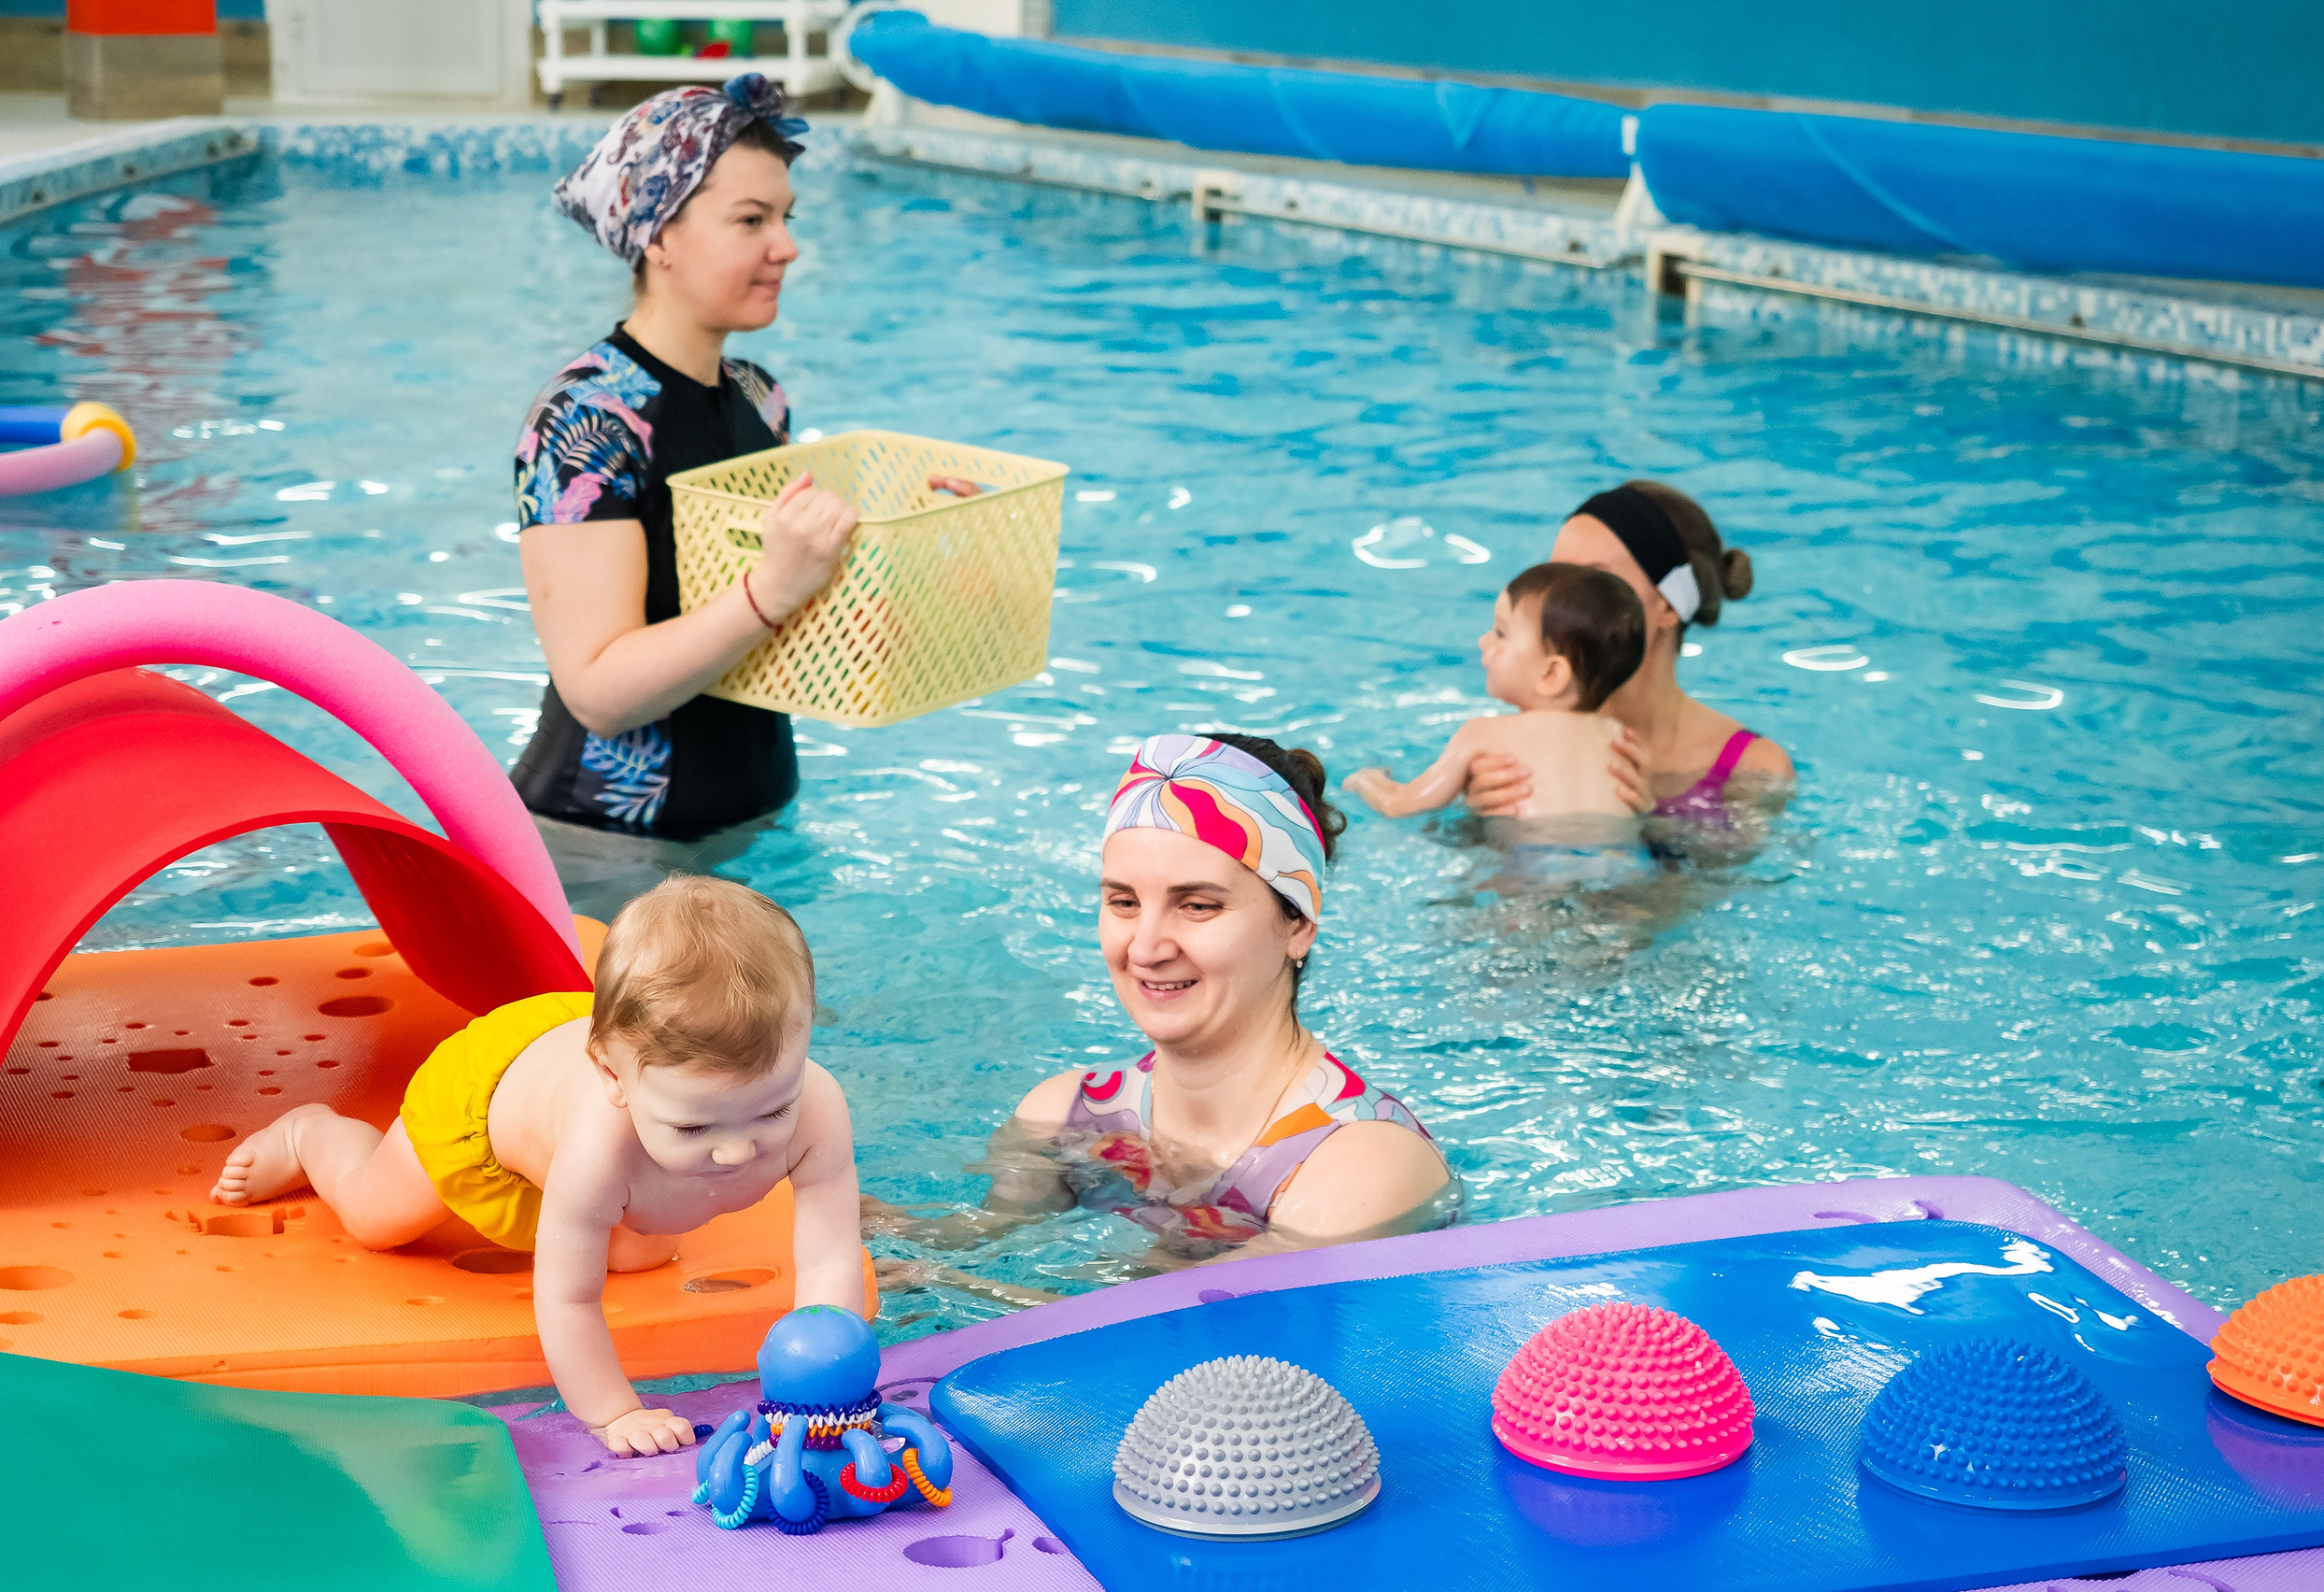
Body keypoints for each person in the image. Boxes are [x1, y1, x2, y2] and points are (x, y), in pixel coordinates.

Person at [513, 73, 971, 916]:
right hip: (607, 851)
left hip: (750, 833)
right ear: (661, 238)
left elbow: (800, 637)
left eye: (787, 218)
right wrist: (773, 590)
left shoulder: (760, 397)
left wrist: (915, 534)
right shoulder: (587, 416)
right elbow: (599, 691)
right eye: (751, 220)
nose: (786, 246)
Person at [207, 876, 865, 1457]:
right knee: (374, 1219)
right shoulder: (597, 1148)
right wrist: (614, 1412)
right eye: (694, 1127)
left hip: (607, 1071)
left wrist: (826, 1389)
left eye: (772, 1111)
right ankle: (313, 1137)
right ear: (614, 1077)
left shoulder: (812, 1104)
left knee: (637, 1255)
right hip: (491, 1102)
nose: (735, 1152)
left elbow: (830, 1259)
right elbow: (567, 1296)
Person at [887, 734, 1452, 1268]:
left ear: (1298, 925)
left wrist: (942, 1284)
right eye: (1125, 902)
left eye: (1198, 906)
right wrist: (885, 1234)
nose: (1147, 948)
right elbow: (977, 1247)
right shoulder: (1067, 1117)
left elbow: (1168, 1339)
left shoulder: (1360, 1167)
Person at [1467, 481, 1793, 831]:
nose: (1561, 602)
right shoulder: (1515, 743)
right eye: (1555, 575)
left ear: (1668, 606)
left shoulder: (1750, 769)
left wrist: (1646, 825)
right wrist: (1475, 814)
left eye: (1595, 580)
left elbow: (1735, 881)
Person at [1343, 561, 1645, 822]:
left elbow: (1403, 805)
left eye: (1501, 633)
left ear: (1551, 674)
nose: (1483, 641)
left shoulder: (1482, 734)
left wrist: (1368, 780)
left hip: (1526, 870)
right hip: (1619, 866)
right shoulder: (1622, 741)